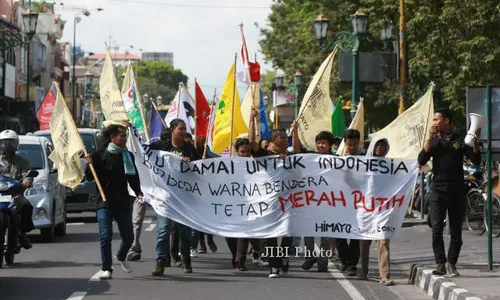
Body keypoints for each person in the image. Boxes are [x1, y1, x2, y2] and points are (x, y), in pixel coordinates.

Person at [418, 108, 482, 277]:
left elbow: (475, 160)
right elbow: (421, 160)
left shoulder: (459, 138)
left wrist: (475, 141)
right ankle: (440, 263)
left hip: (456, 189)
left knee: (456, 230)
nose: (434, 122)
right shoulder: (434, 139)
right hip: (438, 189)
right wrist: (429, 138)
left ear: (446, 121)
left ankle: (452, 263)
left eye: (436, 119)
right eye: (433, 120)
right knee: (437, 227)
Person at [84, 124, 143, 280]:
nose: (125, 139)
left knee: (129, 237)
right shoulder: (99, 156)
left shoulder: (127, 156)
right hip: (104, 202)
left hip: (123, 201)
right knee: (105, 236)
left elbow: (133, 177)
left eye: (125, 136)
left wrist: (138, 192)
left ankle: (121, 255)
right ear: (112, 137)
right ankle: (106, 268)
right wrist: (89, 164)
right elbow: (89, 177)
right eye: (122, 136)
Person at [150, 119, 200, 276]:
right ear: (172, 130)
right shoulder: (160, 147)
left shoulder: (190, 150)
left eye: (185, 128)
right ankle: (160, 262)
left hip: (184, 199)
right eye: (180, 128)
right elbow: (142, 153)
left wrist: (190, 164)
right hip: (165, 197)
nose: (183, 131)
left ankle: (186, 260)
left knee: (184, 232)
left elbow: (201, 171)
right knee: (163, 231)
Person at [249, 109, 292, 278]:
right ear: (274, 140)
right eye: (282, 137)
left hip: (289, 200)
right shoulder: (264, 155)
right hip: (270, 201)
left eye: (286, 137)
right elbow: (252, 141)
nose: (285, 139)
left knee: (289, 233)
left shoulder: (290, 156)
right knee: (271, 234)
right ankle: (274, 266)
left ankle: (283, 257)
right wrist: (252, 121)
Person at [290, 122, 334, 272]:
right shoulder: (310, 158)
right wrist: (295, 131)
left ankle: (323, 263)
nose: (321, 145)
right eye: (319, 143)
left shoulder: (338, 161)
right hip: (310, 202)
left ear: (330, 146)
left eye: (324, 143)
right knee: (308, 232)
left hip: (329, 203)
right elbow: (296, 151)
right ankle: (310, 257)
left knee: (326, 236)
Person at [224, 138, 265, 271]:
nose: (246, 154)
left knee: (245, 232)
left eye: (248, 151)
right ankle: (236, 255)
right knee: (230, 234)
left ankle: (239, 261)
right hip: (231, 204)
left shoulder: (256, 164)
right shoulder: (228, 165)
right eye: (242, 152)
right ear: (237, 151)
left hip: (250, 204)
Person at [359, 137, 394, 285]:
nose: (380, 147)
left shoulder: (392, 165)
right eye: (377, 145)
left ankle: (384, 274)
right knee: (365, 241)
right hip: (366, 208)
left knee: (383, 240)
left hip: (383, 209)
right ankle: (363, 271)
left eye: (383, 145)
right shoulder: (363, 165)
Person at [0, 130, 35, 251]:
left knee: (26, 206)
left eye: (11, 143)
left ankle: (22, 233)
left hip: (15, 194)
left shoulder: (22, 161)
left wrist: (27, 181)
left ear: (16, 144)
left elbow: (27, 175)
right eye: (5, 143)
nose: (8, 146)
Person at [336, 129, 364, 276]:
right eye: (349, 144)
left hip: (358, 201)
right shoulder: (337, 158)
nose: (352, 147)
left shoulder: (365, 158)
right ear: (345, 143)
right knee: (339, 233)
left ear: (358, 142)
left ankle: (352, 264)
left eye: (354, 144)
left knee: (354, 234)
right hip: (339, 200)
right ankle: (344, 261)